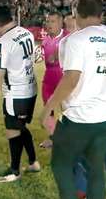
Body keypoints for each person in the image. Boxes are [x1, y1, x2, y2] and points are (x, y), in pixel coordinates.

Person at [41, 0, 106, 199]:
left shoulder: (76, 39)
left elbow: (71, 79)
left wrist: (48, 108)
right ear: (101, 13)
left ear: (76, 13)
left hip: (79, 119)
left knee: (61, 164)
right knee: (95, 167)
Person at [0, 5, 40, 183]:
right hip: (31, 89)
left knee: (12, 130)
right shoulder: (27, 32)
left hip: (17, 93)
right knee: (21, 126)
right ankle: (33, 162)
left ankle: (15, 171)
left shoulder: (3, 42)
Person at [40, 11, 69, 148]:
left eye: (53, 21)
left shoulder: (68, 37)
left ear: (60, 22)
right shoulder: (45, 39)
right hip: (49, 79)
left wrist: (57, 56)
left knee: (68, 110)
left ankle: (70, 138)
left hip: (64, 79)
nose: (49, 24)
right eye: (48, 21)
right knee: (48, 109)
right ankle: (53, 138)